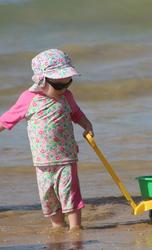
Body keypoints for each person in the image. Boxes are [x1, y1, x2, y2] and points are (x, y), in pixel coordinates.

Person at [0, 49, 93, 230]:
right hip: (42, 161)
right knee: (48, 197)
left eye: (69, 82)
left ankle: (75, 229)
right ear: (42, 80)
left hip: (67, 157)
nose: (64, 88)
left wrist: (87, 125)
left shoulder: (67, 97)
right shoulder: (29, 99)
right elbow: (6, 119)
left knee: (70, 194)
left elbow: (77, 114)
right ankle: (58, 227)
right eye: (59, 85)